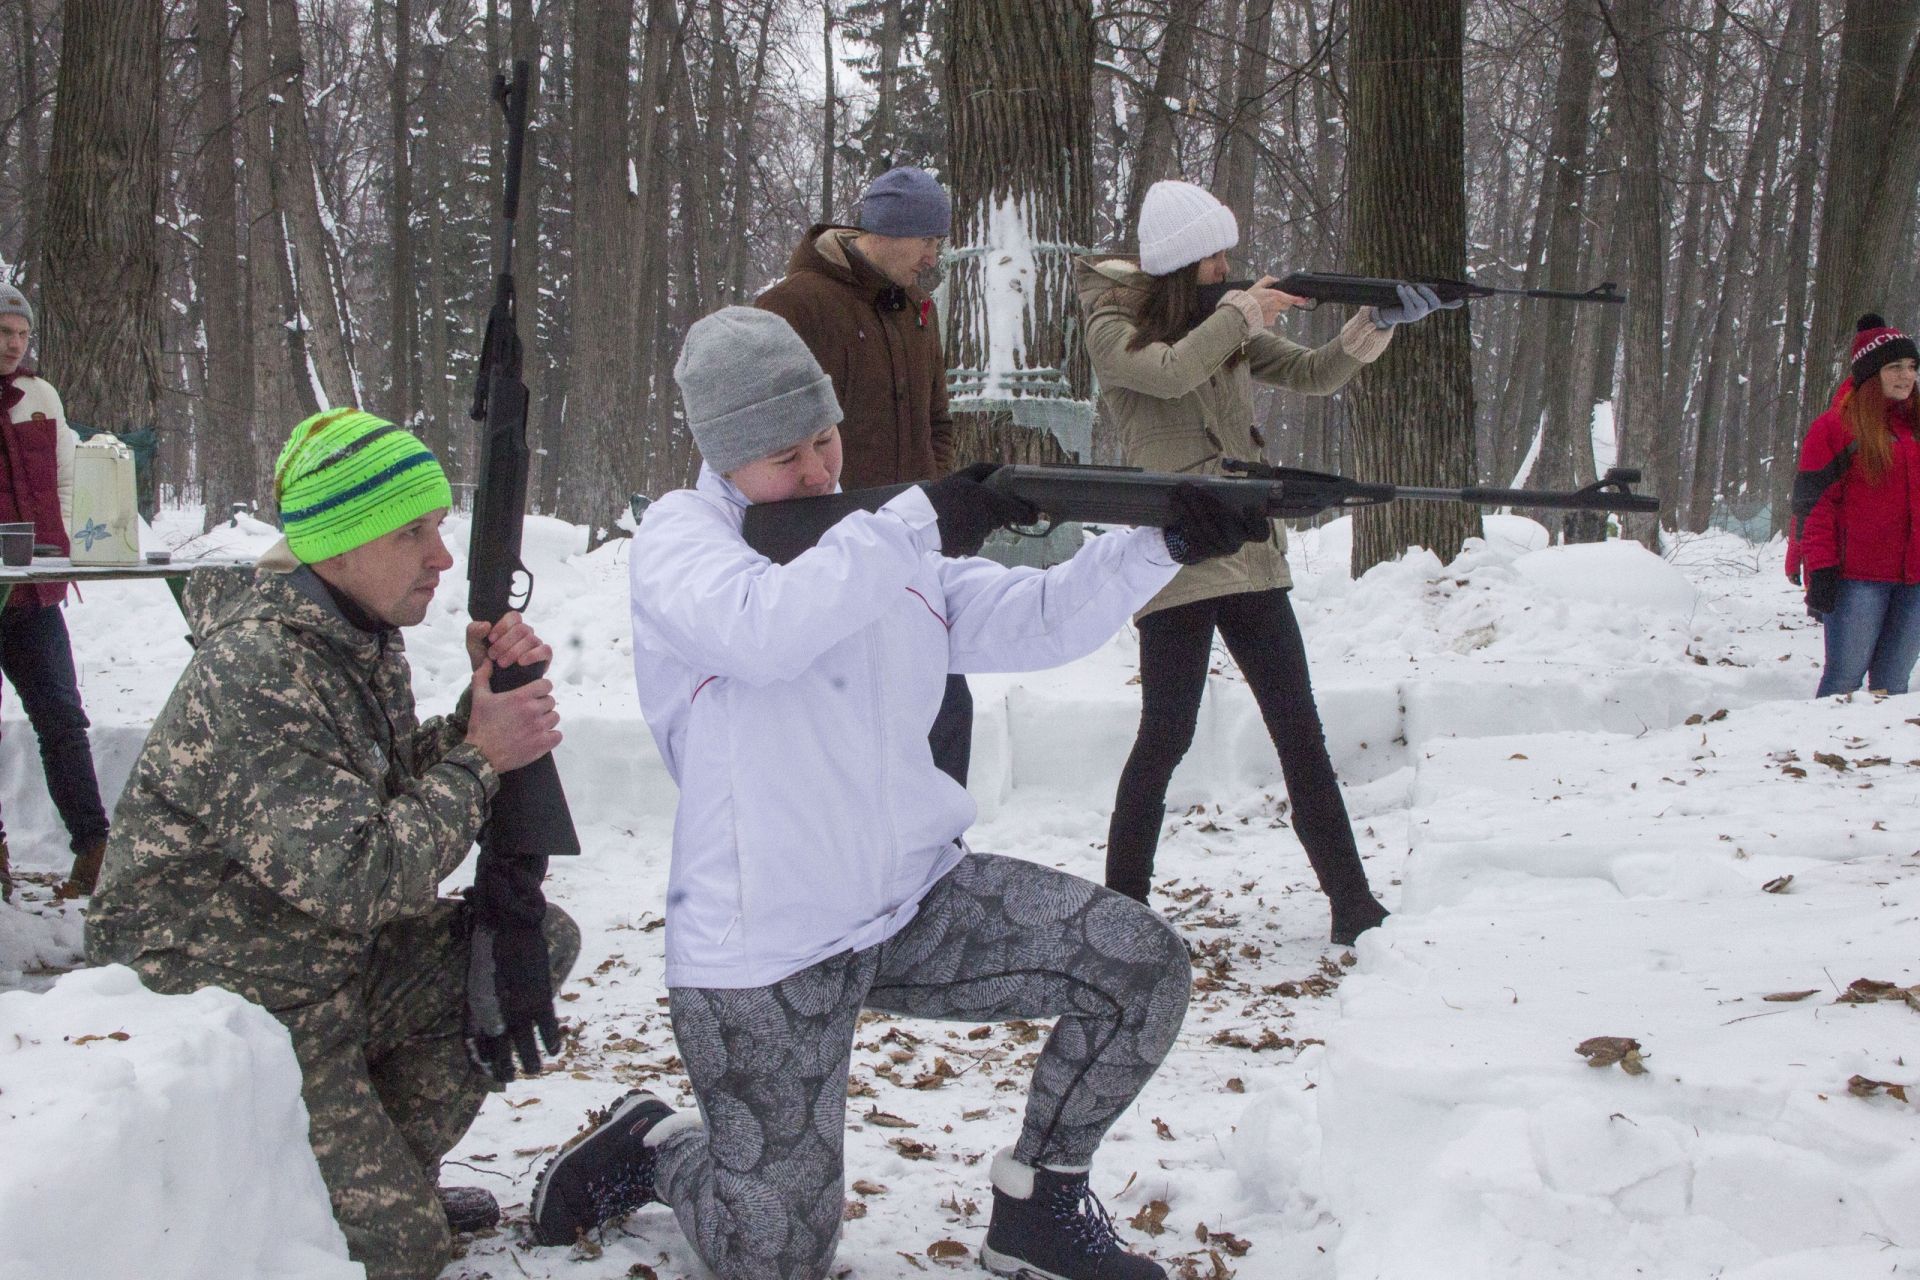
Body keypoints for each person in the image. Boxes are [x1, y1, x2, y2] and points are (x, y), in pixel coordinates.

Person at [526, 307, 1266, 1280]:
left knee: (1141, 965)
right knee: (779, 1250)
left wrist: (1159, 545)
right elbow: (763, 629)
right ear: (722, 456)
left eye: (825, 439)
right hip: (765, 941)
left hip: (914, 898)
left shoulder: (868, 536)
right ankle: (658, 1145)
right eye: (785, 455)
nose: (818, 471)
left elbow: (1034, 618)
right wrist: (918, 517)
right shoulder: (684, 540)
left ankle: (1040, 1202)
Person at [86, 408, 576, 1280]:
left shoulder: (350, 631)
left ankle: (378, 1169)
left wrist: (475, 716)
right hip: (237, 994)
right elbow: (361, 871)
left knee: (527, 944)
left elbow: (372, 797)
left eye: (437, 527)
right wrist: (481, 757)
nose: (439, 557)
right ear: (339, 543)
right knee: (402, 1257)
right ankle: (334, 1193)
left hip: (320, 959)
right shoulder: (258, 670)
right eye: (413, 532)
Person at [1075, 180, 1458, 946]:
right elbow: (1171, 372)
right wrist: (1242, 312)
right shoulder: (1111, 325)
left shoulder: (1221, 321)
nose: (1227, 266)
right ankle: (1121, 912)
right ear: (1185, 261)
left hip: (1248, 546)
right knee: (1166, 735)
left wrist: (1371, 324)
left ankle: (1354, 905)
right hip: (1177, 548)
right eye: (1215, 255)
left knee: (1299, 731)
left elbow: (1314, 373)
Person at [756, 165, 978, 785]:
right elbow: (757, 433)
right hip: (832, 559)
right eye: (927, 240)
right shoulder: (794, 305)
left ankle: (944, 853)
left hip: (913, 551)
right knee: (850, 728)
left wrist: (932, 499)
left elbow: (939, 421)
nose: (934, 256)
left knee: (948, 710)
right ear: (886, 231)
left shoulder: (916, 312)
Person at [0, 283, 111, 903]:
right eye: (3, 334)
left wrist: (59, 548)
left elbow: (68, 478)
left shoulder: (41, 397)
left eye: (21, 335)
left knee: (63, 717)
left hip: (34, 592)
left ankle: (94, 846)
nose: (15, 345)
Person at [1788, 313, 1920, 697]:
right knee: (1844, 681)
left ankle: (1872, 759)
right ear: (1869, 373)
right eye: (1894, 367)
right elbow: (1814, 506)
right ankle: (1822, 753)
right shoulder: (1835, 428)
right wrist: (1822, 568)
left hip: (1916, 582)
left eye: (1912, 367)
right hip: (1858, 580)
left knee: (1893, 686)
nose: (1906, 376)